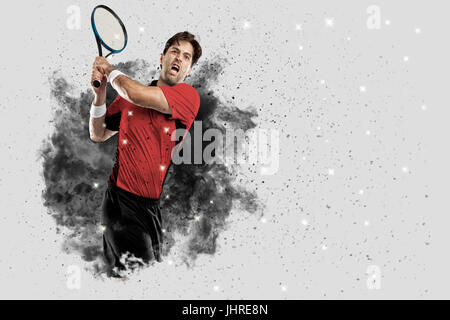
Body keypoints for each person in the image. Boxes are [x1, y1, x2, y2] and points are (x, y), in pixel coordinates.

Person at [88, 31, 202, 277]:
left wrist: (109, 69)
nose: (179, 59)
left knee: (139, 278)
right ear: (162, 58)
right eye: (174, 52)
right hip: (118, 202)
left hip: (149, 208)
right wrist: (99, 96)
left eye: (186, 57)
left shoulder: (187, 97)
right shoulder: (128, 95)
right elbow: (98, 133)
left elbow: (136, 94)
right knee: (138, 279)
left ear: (190, 70)